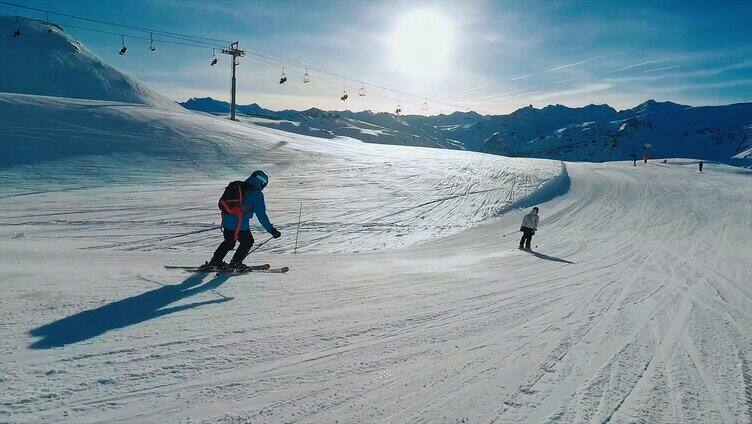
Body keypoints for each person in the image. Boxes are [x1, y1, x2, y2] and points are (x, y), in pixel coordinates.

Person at [202, 170, 281, 271]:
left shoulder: (239, 186)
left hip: (227, 220)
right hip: (239, 224)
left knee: (229, 242)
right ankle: (235, 263)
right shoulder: (256, 194)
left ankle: (215, 262)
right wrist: (271, 230)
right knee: (248, 241)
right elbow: (261, 215)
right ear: (263, 183)